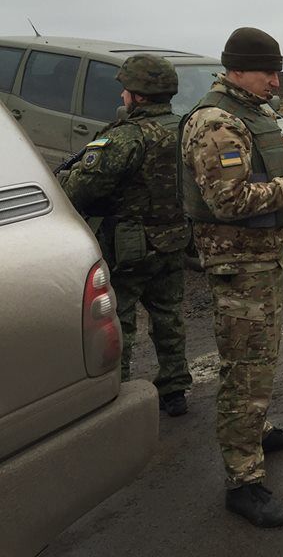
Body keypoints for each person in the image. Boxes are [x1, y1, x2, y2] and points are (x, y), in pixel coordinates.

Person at [180, 27, 283, 528]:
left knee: (260, 358)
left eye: (278, 69)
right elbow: (227, 201)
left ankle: (257, 427)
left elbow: (274, 167)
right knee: (244, 368)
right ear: (238, 69)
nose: (276, 79)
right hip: (238, 263)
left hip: (263, 259)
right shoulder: (216, 124)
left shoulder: (255, 114)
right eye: (268, 71)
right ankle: (243, 479)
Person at [61, 54, 193, 417]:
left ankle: (115, 397)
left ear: (139, 95)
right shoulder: (186, 128)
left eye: (127, 89)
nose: (122, 95)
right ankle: (175, 389)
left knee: (120, 321)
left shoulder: (125, 137)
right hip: (174, 239)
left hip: (129, 248)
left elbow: (81, 190)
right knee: (169, 316)